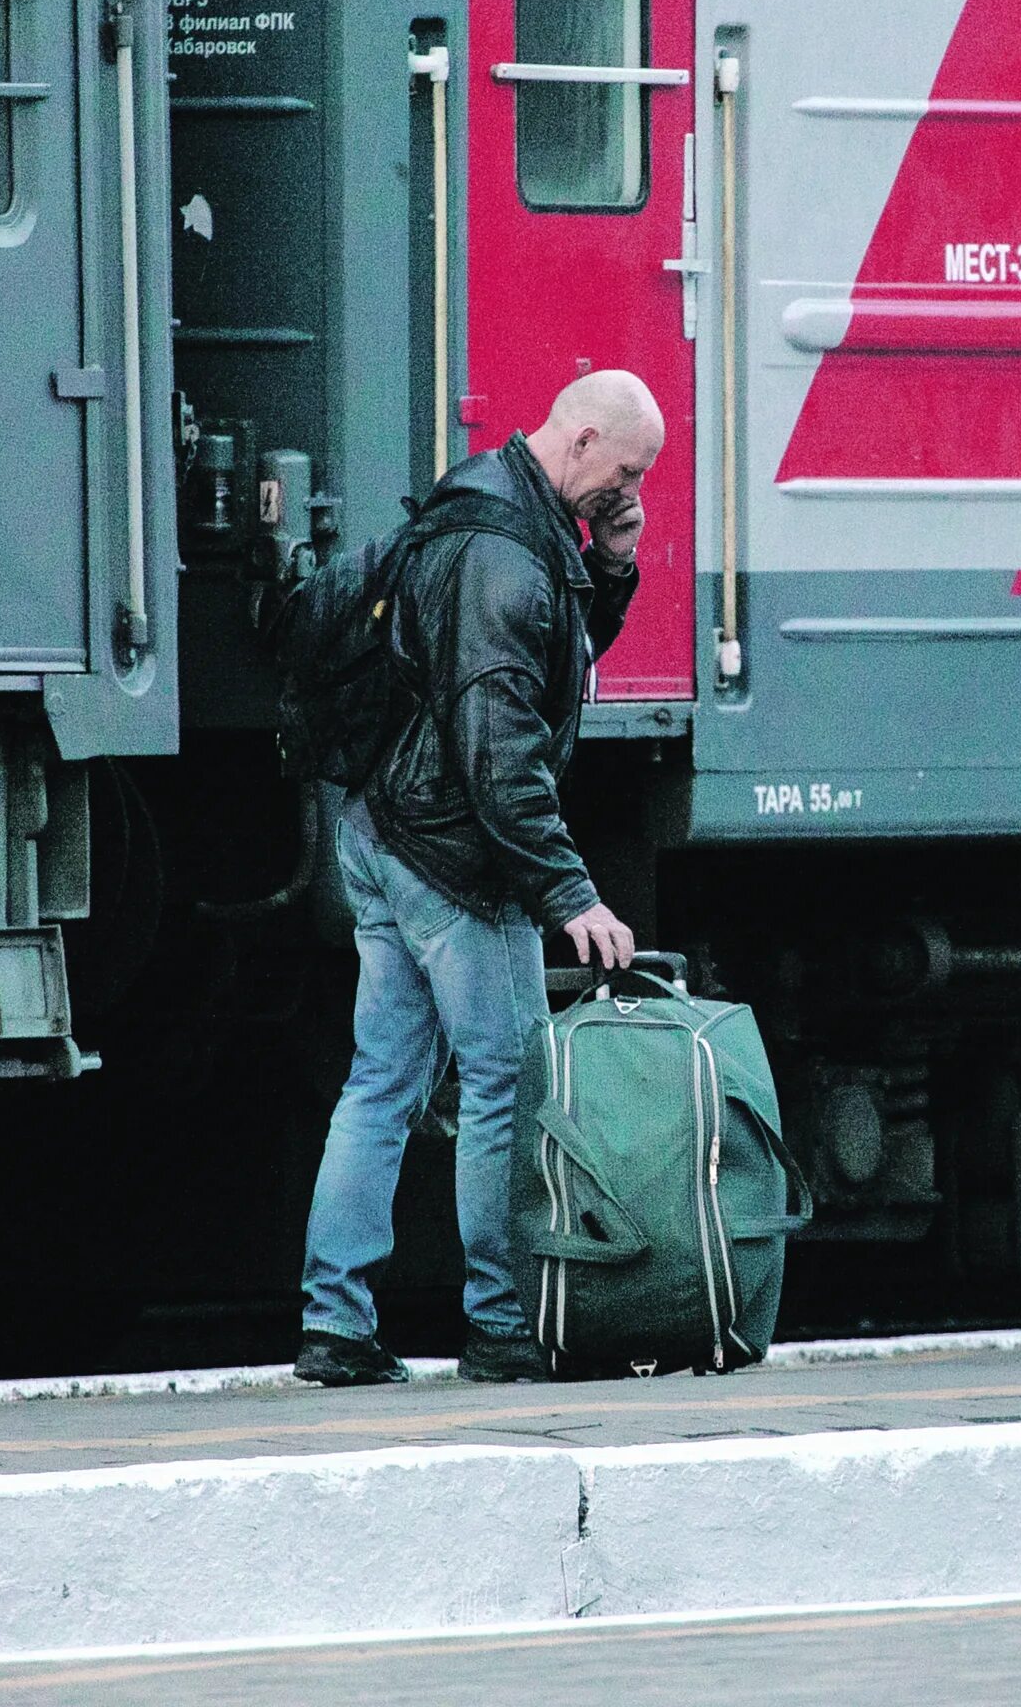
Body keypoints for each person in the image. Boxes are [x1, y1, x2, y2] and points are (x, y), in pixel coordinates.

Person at [293, 368, 661, 1387]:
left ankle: (335, 1326)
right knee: (504, 1083)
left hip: (383, 827)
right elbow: (501, 745)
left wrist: (615, 566)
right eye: (625, 472)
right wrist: (569, 893)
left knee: (381, 1084)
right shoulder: (502, 554)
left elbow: (554, 662)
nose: (628, 491)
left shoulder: (496, 503)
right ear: (583, 439)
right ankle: (503, 1328)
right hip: (450, 854)